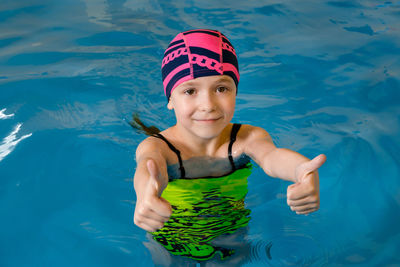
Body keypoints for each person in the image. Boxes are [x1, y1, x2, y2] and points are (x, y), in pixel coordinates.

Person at [133, 29, 326, 233]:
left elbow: (271, 157)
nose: (208, 105)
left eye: (221, 89)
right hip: (171, 231)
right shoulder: (159, 147)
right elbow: (149, 168)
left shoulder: (247, 138)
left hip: (230, 226)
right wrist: (146, 195)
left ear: (235, 91)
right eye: (190, 91)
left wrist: (300, 171)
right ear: (170, 99)